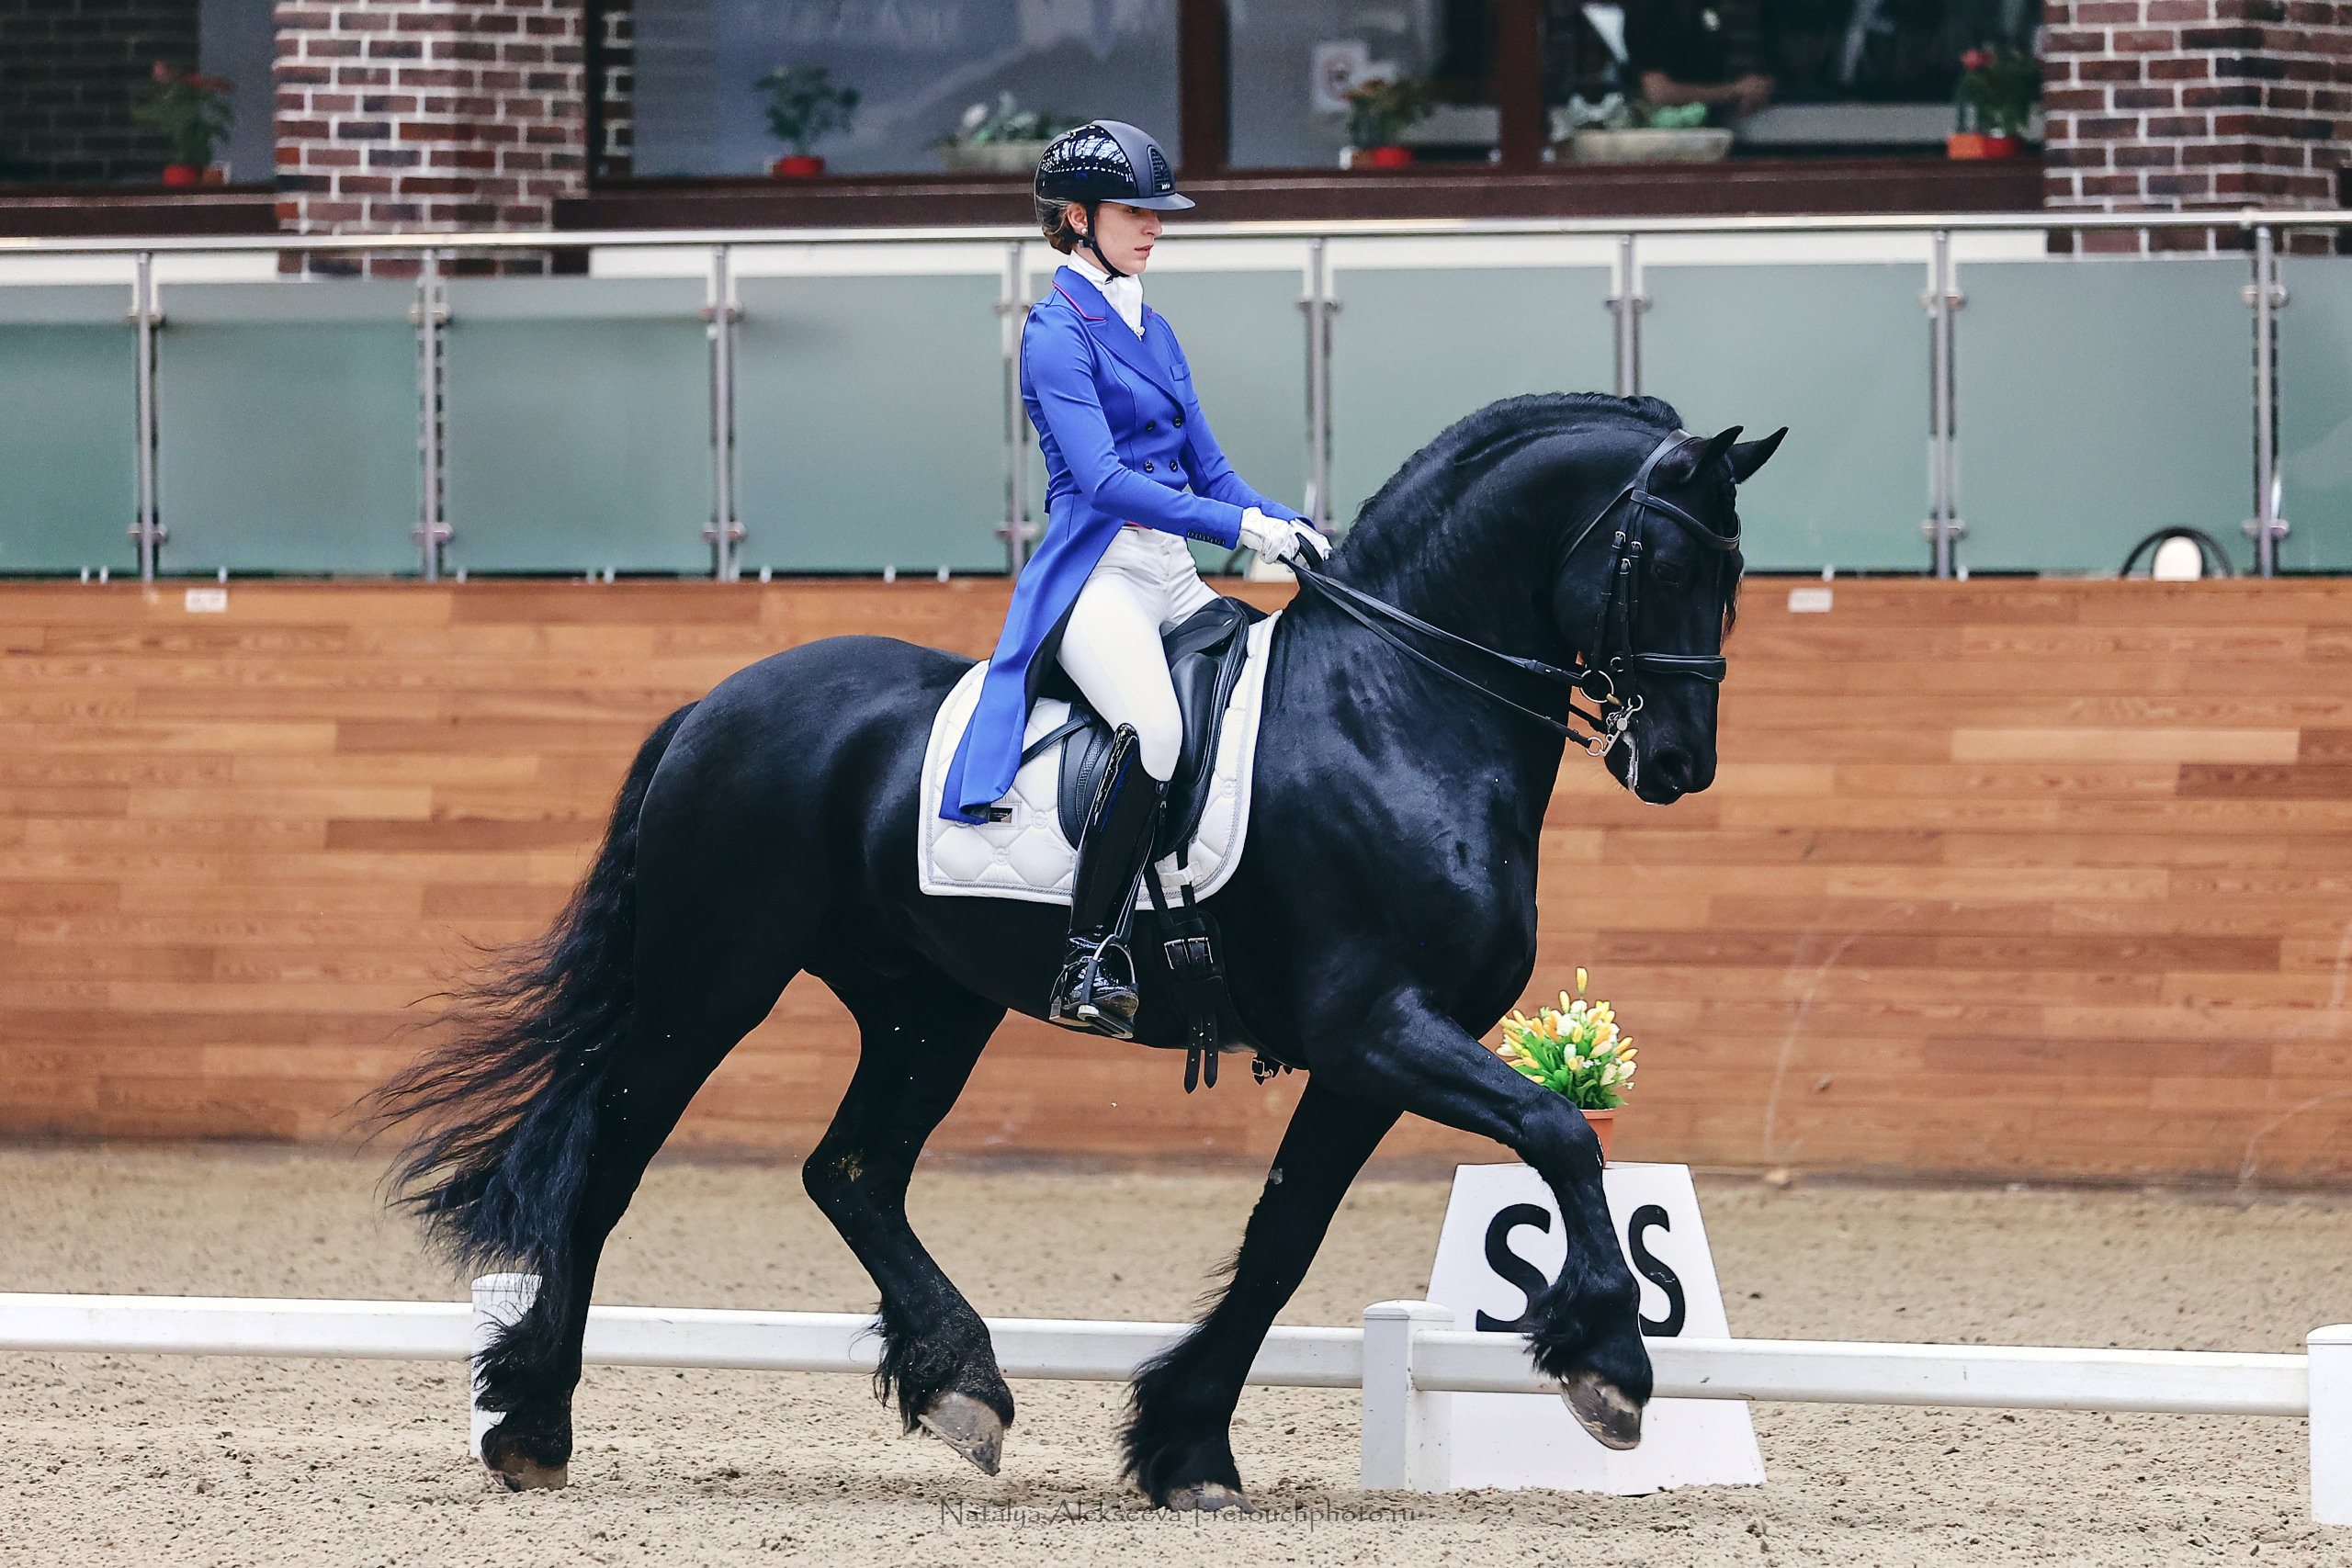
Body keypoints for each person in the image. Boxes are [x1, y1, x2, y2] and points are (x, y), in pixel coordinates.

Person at [937, 120, 1329, 1040]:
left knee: (1259, 706)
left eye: (1158, 214)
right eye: (1134, 213)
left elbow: (1212, 471)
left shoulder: (1153, 323)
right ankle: (1088, 954)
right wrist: (1240, 528)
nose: (1153, 228)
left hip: (1172, 574)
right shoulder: (1051, 332)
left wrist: (1293, 525)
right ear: (1076, 219)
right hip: (1097, 574)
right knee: (1151, 728)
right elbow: (1108, 482)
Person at [1623, 0, 1774, 118]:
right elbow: (1659, 91)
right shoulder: (1649, 9)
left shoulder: (1704, 7)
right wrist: (1733, 91)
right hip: (1662, 132)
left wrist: (1753, 91)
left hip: (1721, 123)